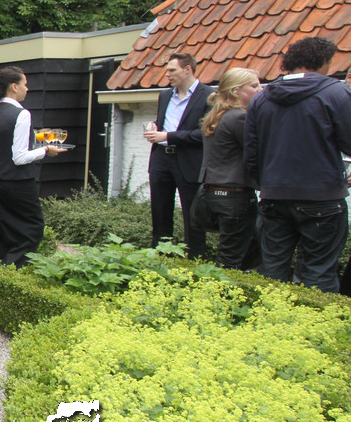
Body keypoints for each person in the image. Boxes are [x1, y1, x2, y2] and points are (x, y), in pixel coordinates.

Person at [244, 37, 351, 293]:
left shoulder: (261, 98)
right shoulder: (336, 93)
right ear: (323, 62)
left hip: (274, 196)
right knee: (318, 275)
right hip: (322, 198)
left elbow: (251, 155)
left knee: (272, 273)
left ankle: (272, 317)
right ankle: (311, 319)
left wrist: (268, 184)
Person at [0, 66, 65, 266]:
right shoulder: (22, 114)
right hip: (18, 183)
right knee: (32, 229)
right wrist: (46, 150)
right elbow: (19, 157)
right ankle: (12, 269)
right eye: (24, 84)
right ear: (14, 86)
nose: (27, 89)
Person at [143, 52, 213, 259]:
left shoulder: (208, 95)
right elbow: (164, 123)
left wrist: (168, 136)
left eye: (172, 70)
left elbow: (205, 133)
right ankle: (160, 257)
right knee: (160, 212)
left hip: (189, 161)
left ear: (188, 69)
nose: (167, 74)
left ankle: (193, 260)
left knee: (192, 215)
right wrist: (154, 126)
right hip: (161, 159)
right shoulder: (165, 95)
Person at [196, 68, 262, 271]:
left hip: (212, 194)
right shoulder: (238, 118)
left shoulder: (216, 117)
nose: (260, 89)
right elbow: (258, 153)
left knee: (239, 254)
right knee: (230, 262)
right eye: (254, 85)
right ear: (235, 91)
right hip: (235, 197)